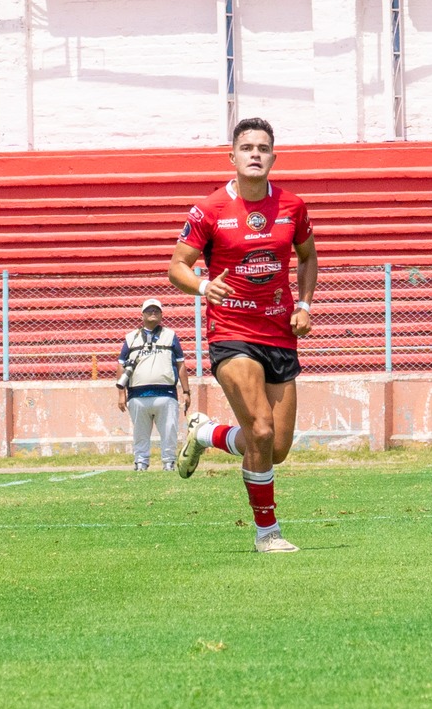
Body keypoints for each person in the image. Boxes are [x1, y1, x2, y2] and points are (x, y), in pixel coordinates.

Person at [169, 117, 318, 553]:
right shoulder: (209, 210)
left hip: (279, 332)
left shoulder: (293, 206)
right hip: (231, 332)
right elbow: (177, 265)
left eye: (263, 147)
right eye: (247, 147)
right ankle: (267, 532)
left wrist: (305, 305)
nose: (255, 153)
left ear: (274, 156)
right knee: (260, 428)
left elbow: (307, 257)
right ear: (231, 156)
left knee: (277, 448)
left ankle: (206, 434)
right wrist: (201, 285)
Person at [114, 297, 188, 471]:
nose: (153, 313)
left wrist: (186, 391)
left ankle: (168, 462)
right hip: (137, 395)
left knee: (169, 430)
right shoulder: (131, 337)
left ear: (162, 314)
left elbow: (181, 364)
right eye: (149, 310)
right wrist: (120, 394)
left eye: (156, 310)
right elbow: (120, 364)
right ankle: (141, 462)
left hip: (166, 394)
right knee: (140, 433)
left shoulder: (170, 335)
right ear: (142, 315)